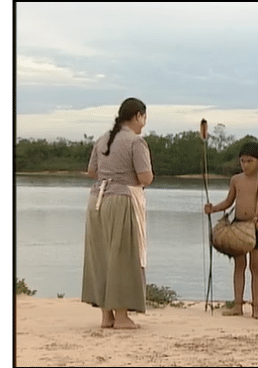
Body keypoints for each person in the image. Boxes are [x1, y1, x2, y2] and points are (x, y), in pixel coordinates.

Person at [81, 97, 154, 330]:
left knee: (102, 256)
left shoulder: (103, 139)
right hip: (121, 200)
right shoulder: (135, 142)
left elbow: (92, 171)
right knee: (122, 256)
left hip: (97, 201)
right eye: (144, 117)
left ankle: (107, 315)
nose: (144, 122)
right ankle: (121, 316)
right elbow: (145, 177)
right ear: (138, 116)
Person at [204, 142, 258, 320]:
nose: (245, 165)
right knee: (239, 266)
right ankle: (238, 305)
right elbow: (228, 202)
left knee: (256, 267)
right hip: (238, 225)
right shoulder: (236, 180)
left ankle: (256, 308)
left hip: (256, 227)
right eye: (243, 161)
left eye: (250, 161)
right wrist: (213, 208)